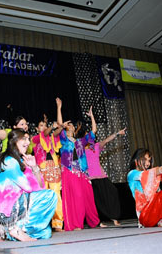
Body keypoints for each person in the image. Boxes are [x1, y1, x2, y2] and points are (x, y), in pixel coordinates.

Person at [0, 129, 57, 241]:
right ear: (14, 141)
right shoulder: (9, 160)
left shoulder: (21, 160)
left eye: (28, 139)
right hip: (9, 208)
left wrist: (34, 167)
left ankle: (8, 232)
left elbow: (40, 187)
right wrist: (28, 170)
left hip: (18, 205)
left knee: (46, 233)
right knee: (50, 195)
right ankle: (17, 228)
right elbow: (29, 188)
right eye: (24, 139)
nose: (28, 142)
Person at [54, 97, 100, 231]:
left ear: (74, 129)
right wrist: (59, 108)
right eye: (68, 125)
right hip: (69, 170)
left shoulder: (80, 141)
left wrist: (91, 116)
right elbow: (59, 124)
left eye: (72, 125)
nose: (70, 126)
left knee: (87, 196)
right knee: (75, 197)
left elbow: (94, 131)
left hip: (81, 171)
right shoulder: (63, 138)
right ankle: (75, 224)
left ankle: (93, 221)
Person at [85, 128, 127, 227]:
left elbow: (107, 140)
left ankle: (114, 217)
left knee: (113, 191)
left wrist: (117, 133)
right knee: (96, 201)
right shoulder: (81, 150)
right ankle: (98, 222)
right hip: (91, 178)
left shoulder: (96, 146)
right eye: (87, 136)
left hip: (102, 176)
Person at [31, 115, 64, 232]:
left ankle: (57, 223)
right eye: (41, 125)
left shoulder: (51, 138)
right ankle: (40, 223)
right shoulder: (34, 139)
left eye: (45, 125)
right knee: (42, 197)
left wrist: (60, 127)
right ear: (36, 128)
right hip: (41, 170)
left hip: (54, 168)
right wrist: (51, 127)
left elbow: (57, 132)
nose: (44, 127)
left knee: (56, 196)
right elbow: (45, 133)